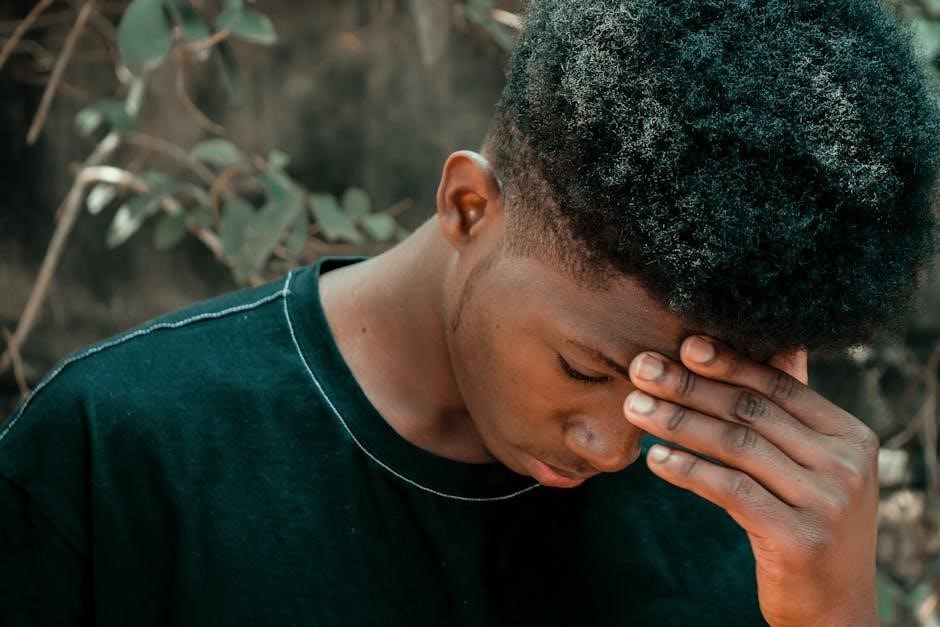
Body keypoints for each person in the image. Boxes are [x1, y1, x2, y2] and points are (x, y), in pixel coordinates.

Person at [2, 0, 939, 625]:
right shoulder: (120, 454)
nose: (615, 445)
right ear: (468, 206)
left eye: (683, 396)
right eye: (586, 368)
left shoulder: (761, 514)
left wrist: (834, 614)